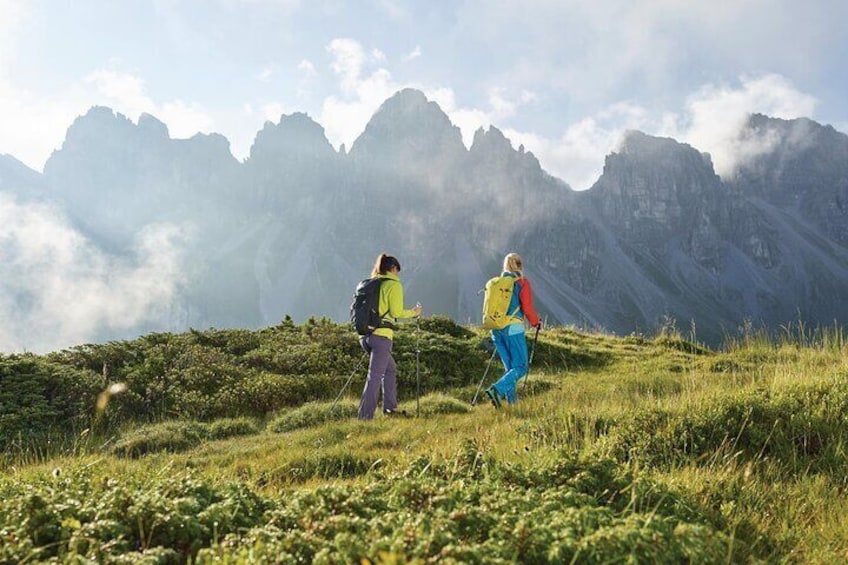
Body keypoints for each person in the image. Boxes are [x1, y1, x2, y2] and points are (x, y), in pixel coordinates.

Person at [358, 253, 423, 420]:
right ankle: (365, 418)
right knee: (374, 377)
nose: (398, 274)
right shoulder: (393, 285)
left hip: (365, 336)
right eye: (397, 271)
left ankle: (390, 408)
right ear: (393, 269)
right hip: (382, 338)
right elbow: (396, 312)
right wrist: (414, 313)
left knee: (390, 369)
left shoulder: (373, 283)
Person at [485, 252, 541, 407]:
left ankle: (512, 405)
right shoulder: (521, 282)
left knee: (510, 369)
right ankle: (496, 390)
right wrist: (536, 323)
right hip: (513, 329)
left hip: (496, 329)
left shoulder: (496, 283)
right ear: (519, 266)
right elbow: (528, 309)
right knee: (521, 367)